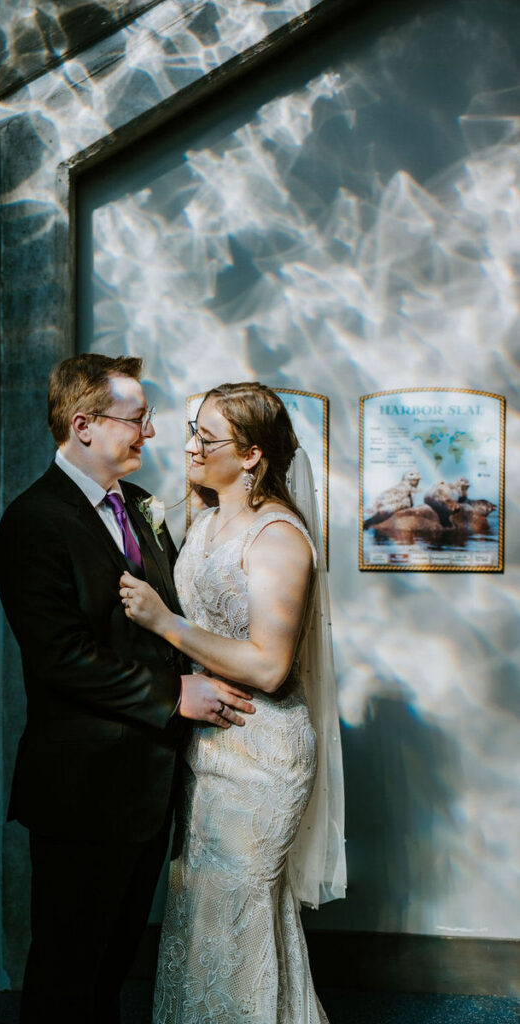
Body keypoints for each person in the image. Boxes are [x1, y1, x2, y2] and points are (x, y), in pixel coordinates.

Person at [0, 355, 256, 1024]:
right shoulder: (33, 522)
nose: (151, 433)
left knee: (111, 970)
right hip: (81, 787)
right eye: (137, 419)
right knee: (67, 975)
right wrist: (175, 694)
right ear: (83, 425)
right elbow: (61, 660)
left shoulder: (140, 508)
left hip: (146, 783)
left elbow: (157, 621)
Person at [120, 382, 346, 1024]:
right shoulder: (207, 517)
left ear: (250, 455)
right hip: (207, 748)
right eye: (192, 431)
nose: (188, 447)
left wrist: (165, 624)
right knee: (200, 914)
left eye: (206, 438)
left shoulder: (279, 537)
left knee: (237, 916)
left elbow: (270, 667)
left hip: (262, 754)